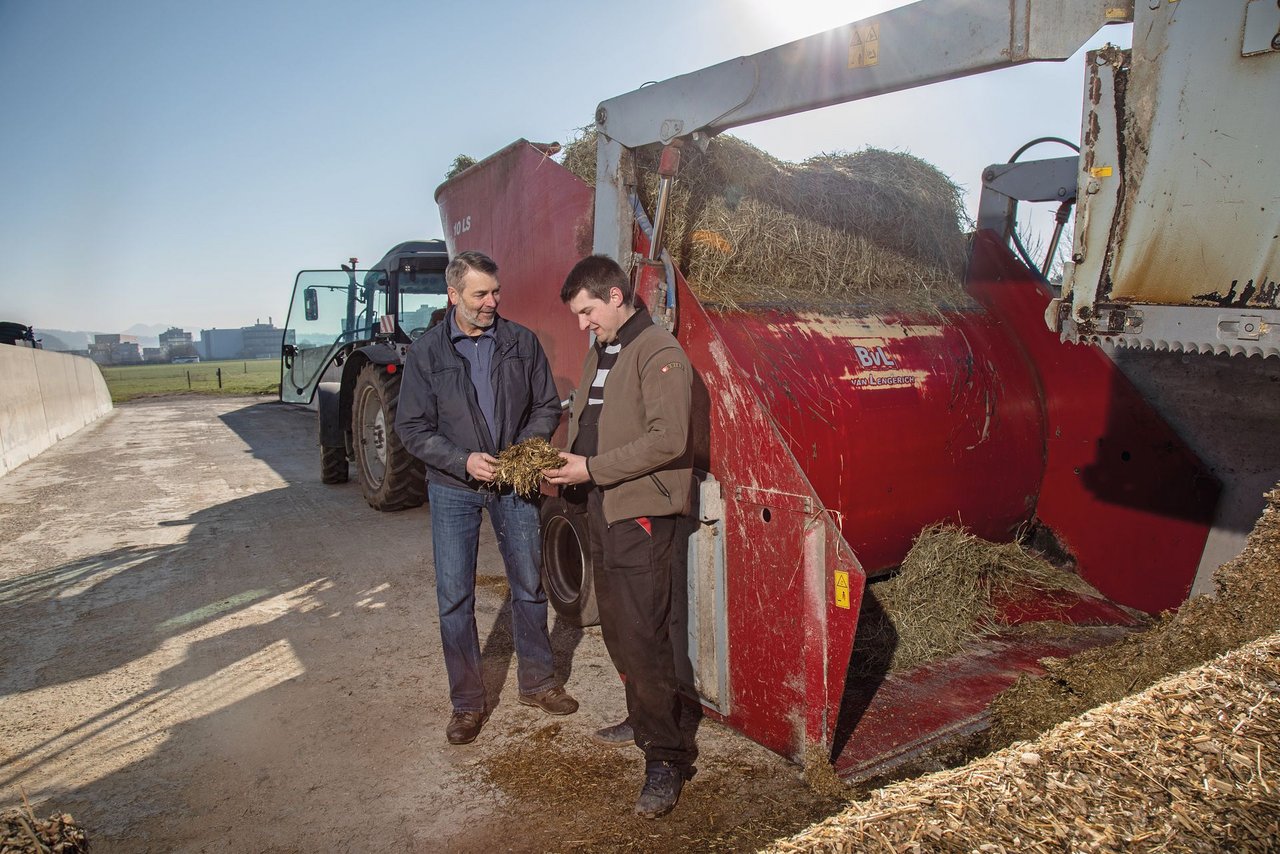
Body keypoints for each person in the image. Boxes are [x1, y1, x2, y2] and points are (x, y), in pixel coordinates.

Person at [395, 249, 578, 745]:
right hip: (453, 489)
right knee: (455, 596)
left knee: (529, 584)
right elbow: (411, 427)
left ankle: (538, 683)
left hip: (512, 483)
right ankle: (468, 704)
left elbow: (545, 406)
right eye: (481, 294)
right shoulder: (428, 352)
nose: (492, 302)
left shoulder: (520, 342)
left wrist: (522, 452)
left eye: (496, 292)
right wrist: (462, 460)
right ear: (453, 295)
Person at [543, 254, 696, 819]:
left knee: (643, 634)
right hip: (602, 508)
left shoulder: (657, 350)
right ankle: (642, 715)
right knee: (617, 627)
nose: (583, 324)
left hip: (640, 514)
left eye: (587, 311)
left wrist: (590, 469)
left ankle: (666, 756)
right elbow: (592, 423)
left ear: (614, 295)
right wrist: (563, 464)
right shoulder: (604, 351)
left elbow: (668, 440)